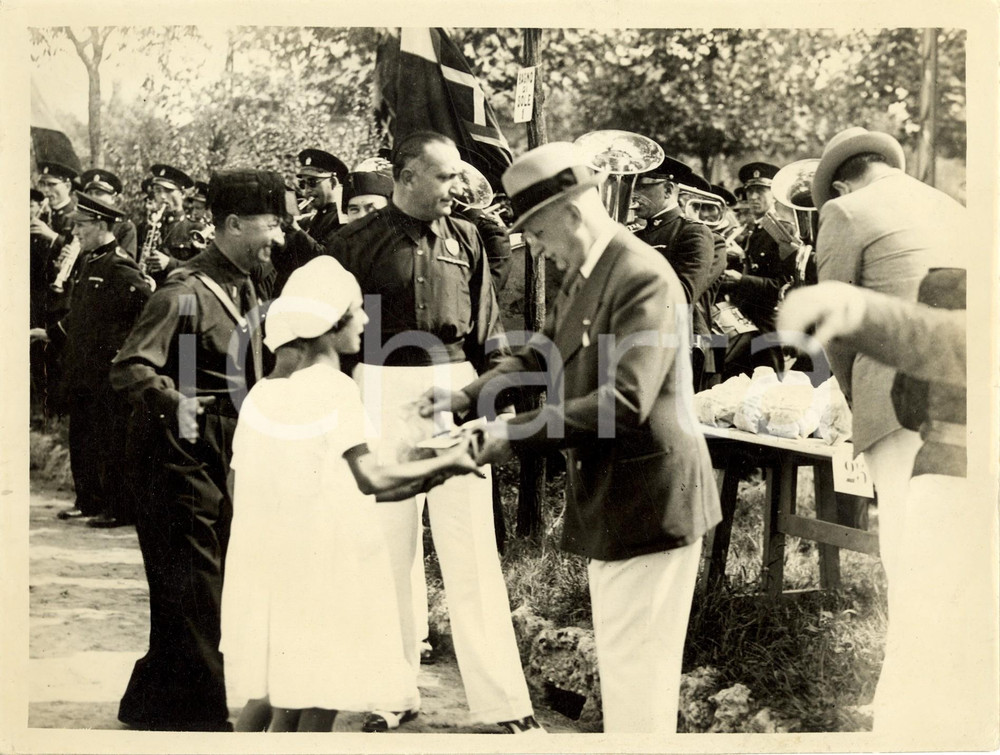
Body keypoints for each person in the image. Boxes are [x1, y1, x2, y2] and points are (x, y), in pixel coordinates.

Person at [421, 142, 722, 733]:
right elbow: (541, 352)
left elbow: (626, 401)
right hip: (613, 497)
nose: (534, 246)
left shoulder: (641, 273)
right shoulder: (589, 269)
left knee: (638, 681)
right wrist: (466, 397)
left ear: (572, 211)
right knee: (623, 670)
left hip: (650, 498)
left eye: (535, 230)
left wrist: (510, 430)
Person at [326, 131, 541, 734]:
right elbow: (331, 339)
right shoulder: (352, 243)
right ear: (408, 175)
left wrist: (490, 404)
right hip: (380, 387)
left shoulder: (469, 237)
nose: (459, 187)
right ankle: (390, 692)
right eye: (445, 177)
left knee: (471, 547)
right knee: (386, 546)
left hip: (456, 391)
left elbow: (490, 331)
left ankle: (503, 702)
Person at [223, 256, 484, 733]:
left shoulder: (261, 395)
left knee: (272, 700)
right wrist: (449, 460)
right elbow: (373, 481)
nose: (366, 320)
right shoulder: (337, 389)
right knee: (319, 700)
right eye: (356, 312)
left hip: (273, 568)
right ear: (328, 325)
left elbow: (241, 485)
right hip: (324, 572)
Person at [777, 274, 994, 747]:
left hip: (953, 476)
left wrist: (857, 310)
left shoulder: (952, 280)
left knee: (925, 663)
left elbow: (943, 348)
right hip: (954, 475)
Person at [110, 169, 286, 731]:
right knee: (195, 581)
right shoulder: (185, 291)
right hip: (181, 449)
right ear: (232, 224)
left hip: (230, 445)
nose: (277, 236)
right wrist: (172, 400)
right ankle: (201, 717)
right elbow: (130, 366)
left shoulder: (251, 283)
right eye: (269, 225)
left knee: (195, 581)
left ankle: (151, 702)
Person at [809, 127, 969, 732]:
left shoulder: (845, 210)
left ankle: (906, 706)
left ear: (842, 181)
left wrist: (850, 402)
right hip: (964, 401)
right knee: (950, 553)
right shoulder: (949, 205)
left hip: (899, 401)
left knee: (905, 551)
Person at [30, 193, 152, 526]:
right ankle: (88, 500)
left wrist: (126, 352)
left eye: (82, 226)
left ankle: (116, 508)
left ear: (100, 224)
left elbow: (147, 309)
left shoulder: (120, 264)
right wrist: (49, 332)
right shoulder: (89, 262)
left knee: (110, 438)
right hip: (83, 369)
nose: (77, 233)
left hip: (106, 370)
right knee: (82, 435)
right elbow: (80, 315)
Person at [632, 154, 718, 390]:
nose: (633, 193)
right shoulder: (635, 236)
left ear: (669, 190)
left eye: (643, 186)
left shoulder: (692, 233)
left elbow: (682, 295)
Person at [719, 161, 797, 377]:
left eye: (760, 191)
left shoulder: (782, 230)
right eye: (750, 191)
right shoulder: (754, 231)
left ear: (773, 194)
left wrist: (741, 280)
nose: (753, 197)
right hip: (745, 322)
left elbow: (784, 286)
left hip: (765, 323)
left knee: (768, 387)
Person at [139, 163, 201, 284]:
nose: (162, 196)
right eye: (158, 191)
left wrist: (170, 264)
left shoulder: (196, 229)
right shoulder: (149, 228)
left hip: (183, 297)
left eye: (168, 191)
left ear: (182, 194)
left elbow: (204, 269)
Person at [78, 168, 138, 258]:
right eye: (90, 193)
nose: (93, 198)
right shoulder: (82, 222)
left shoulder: (125, 227)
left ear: (113, 199)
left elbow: (124, 265)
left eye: (99, 193)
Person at [296, 148, 349, 247]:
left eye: (312, 182)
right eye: (303, 184)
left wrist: (294, 228)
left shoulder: (343, 218)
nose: (307, 190)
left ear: (333, 182)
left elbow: (326, 253)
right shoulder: (312, 219)